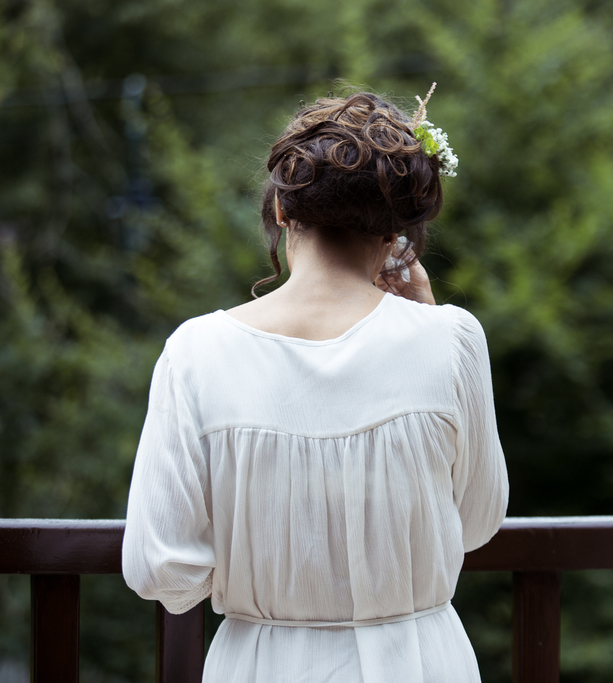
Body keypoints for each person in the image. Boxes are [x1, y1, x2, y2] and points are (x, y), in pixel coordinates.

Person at [123, 89, 508, 683]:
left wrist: (272, 581)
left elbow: (164, 570)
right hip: (421, 660)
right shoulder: (452, 339)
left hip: (263, 662)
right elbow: (477, 521)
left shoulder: (196, 353)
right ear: (398, 226)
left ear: (282, 210)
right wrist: (427, 318)